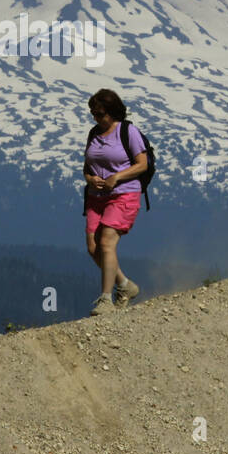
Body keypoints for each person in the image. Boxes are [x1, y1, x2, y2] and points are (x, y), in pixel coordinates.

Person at [82, 89, 146, 315]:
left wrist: (116, 177)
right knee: (93, 248)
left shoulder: (128, 132)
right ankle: (126, 285)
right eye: (93, 114)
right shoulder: (94, 134)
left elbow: (142, 164)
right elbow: (87, 166)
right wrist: (90, 178)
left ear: (112, 112)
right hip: (96, 197)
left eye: (99, 114)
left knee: (107, 242)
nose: (96, 118)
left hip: (124, 194)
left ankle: (106, 299)